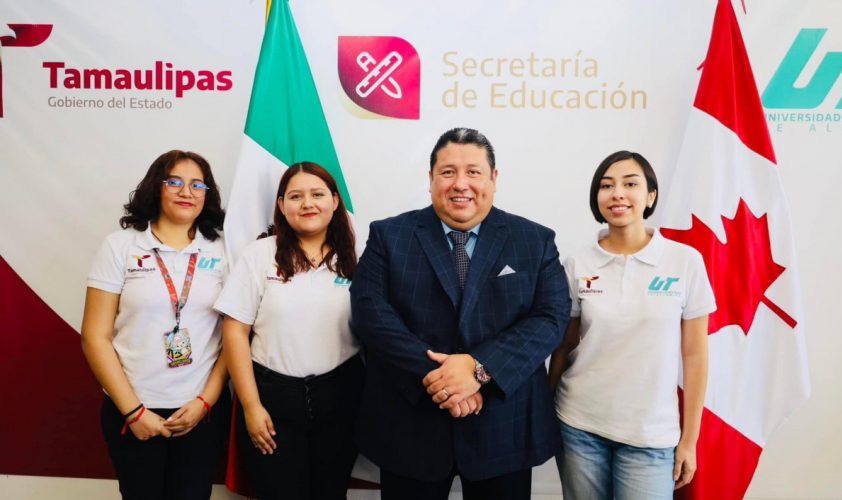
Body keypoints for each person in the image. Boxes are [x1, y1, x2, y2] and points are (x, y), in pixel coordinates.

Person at [350, 127, 570, 500]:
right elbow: (371, 313)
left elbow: (550, 317)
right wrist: (445, 379)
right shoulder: (390, 235)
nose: (460, 184)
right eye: (448, 172)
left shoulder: (534, 240)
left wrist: (480, 370)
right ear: (431, 179)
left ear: (493, 178)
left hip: (504, 428)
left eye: (473, 172)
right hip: (411, 424)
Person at [548, 150, 716, 499]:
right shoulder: (578, 262)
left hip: (650, 434)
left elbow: (696, 356)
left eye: (630, 184)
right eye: (606, 185)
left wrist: (689, 440)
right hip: (580, 424)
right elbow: (563, 344)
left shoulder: (684, 262)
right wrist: (544, 407)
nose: (617, 193)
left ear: (650, 195)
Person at [81, 150, 230, 500]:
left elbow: (233, 337)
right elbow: (95, 337)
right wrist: (133, 411)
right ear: (155, 188)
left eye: (197, 184)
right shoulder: (120, 246)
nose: (186, 192)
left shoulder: (224, 250)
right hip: (133, 410)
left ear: (208, 194)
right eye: (174, 182)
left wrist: (205, 403)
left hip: (199, 412)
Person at [215, 162, 362, 500]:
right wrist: (251, 407)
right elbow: (235, 332)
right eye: (295, 196)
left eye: (317, 194)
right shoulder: (259, 255)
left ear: (335, 201)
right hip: (272, 401)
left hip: (341, 397)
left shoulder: (357, 255)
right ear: (281, 205)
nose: (307, 203)